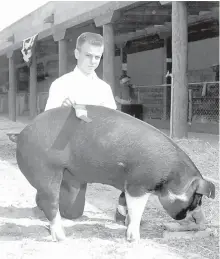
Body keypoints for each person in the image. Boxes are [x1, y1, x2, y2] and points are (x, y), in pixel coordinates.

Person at [44, 32, 122, 222]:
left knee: (135, 164)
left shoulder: (104, 88)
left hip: (95, 148)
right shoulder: (61, 84)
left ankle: (124, 209)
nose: (93, 61)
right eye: (88, 55)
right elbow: (46, 122)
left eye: (97, 57)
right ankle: (51, 195)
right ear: (77, 53)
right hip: (68, 150)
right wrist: (61, 112)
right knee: (71, 213)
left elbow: (112, 122)